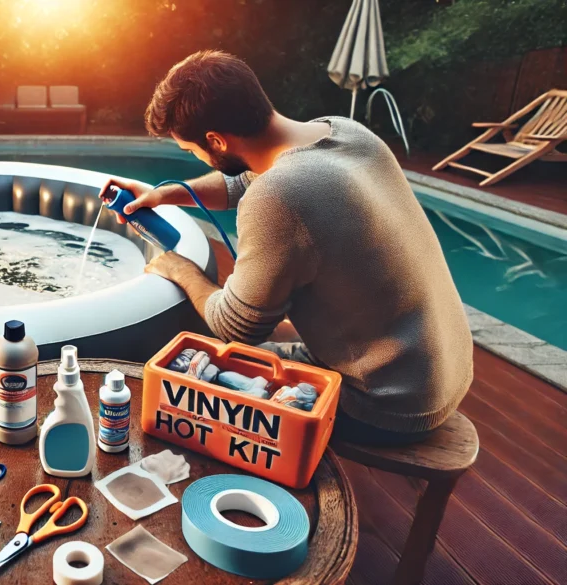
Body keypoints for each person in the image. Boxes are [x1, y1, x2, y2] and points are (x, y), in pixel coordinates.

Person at [103, 50, 473, 446]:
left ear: (216, 141)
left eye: (192, 150)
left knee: (189, 390)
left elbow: (235, 327)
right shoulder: (345, 134)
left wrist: (181, 270)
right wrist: (165, 196)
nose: (194, 157)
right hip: (438, 372)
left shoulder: (280, 196)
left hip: (382, 403)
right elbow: (244, 181)